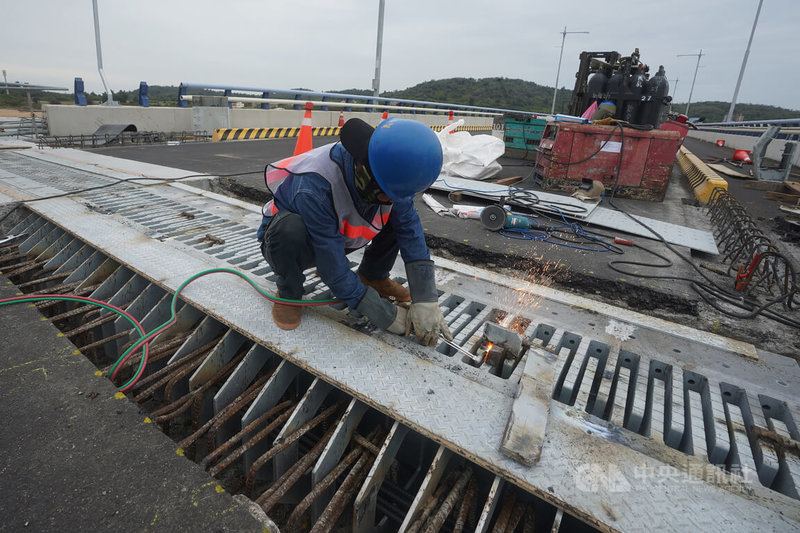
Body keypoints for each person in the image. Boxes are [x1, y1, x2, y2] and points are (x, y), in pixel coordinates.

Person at [257, 117, 453, 346]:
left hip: (337, 235)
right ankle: (289, 293)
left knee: (398, 217)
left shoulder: (388, 173)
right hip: (294, 242)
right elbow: (331, 265)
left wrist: (426, 297)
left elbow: (409, 230)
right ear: (366, 172)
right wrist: (386, 315)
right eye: (388, 193)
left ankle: (373, 275)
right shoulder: (314, 187)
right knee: (290, 229)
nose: (394, 199)